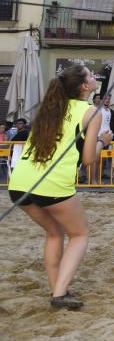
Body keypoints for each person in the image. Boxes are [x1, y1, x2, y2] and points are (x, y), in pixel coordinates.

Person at [7, 65, 104, 309]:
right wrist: (104, 140)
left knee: (54, 233)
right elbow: (90, 159)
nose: (95, 77)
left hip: (19, 183)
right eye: (91, 75)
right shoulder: (90, 111)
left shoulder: (50, 108)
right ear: (84, 87)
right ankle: (59, 294)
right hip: (52, 184)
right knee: (79, 234)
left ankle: (57, 289)